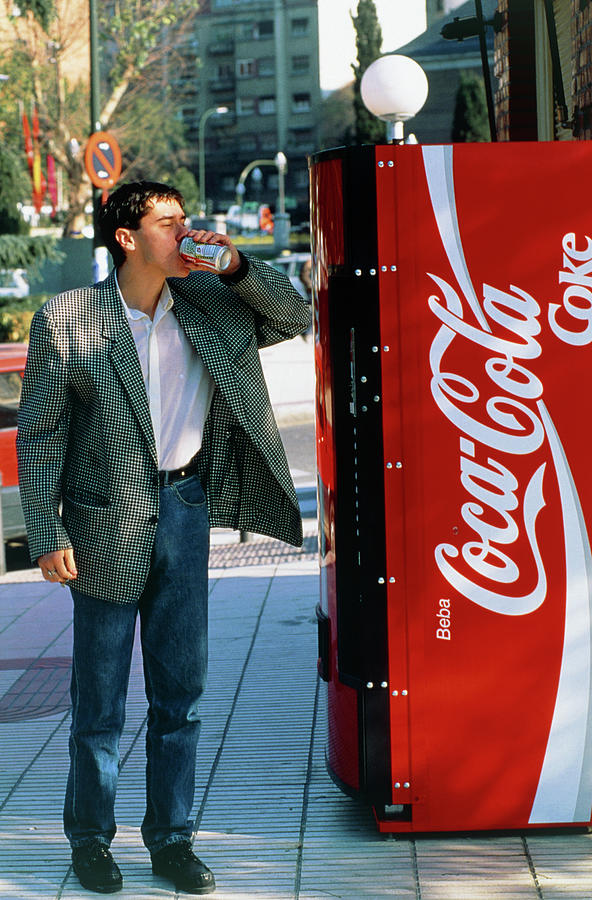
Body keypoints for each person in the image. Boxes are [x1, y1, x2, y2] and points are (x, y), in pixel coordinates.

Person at [16, 181, 310, 895]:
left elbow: (298, 314)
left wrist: (236, 265)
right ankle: (91, 841)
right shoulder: (68, 319)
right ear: (126, 237)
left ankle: (172, 840)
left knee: (182, 693)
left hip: (184, 507)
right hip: (103, 520)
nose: (186, 232)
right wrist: (46, 530)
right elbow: (41, 434)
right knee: (99, 702)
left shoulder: (210, 300)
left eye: (187, 220)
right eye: (168, 222)